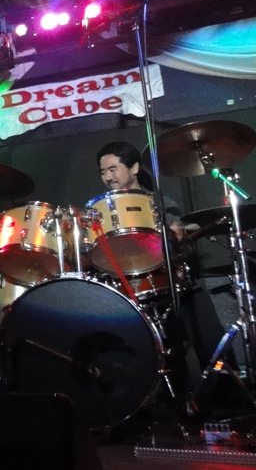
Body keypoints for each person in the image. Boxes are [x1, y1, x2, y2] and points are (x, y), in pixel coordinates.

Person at [96, 140, 227, 406]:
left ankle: (219, 397)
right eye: (103, 172)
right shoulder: (99, 209)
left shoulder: (160, 202)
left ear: (134, 168)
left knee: (197, 314)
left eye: (112, 169)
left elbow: (183, 248)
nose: (107, 177)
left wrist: (177, 239)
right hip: (123, 290)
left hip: (164, 283)